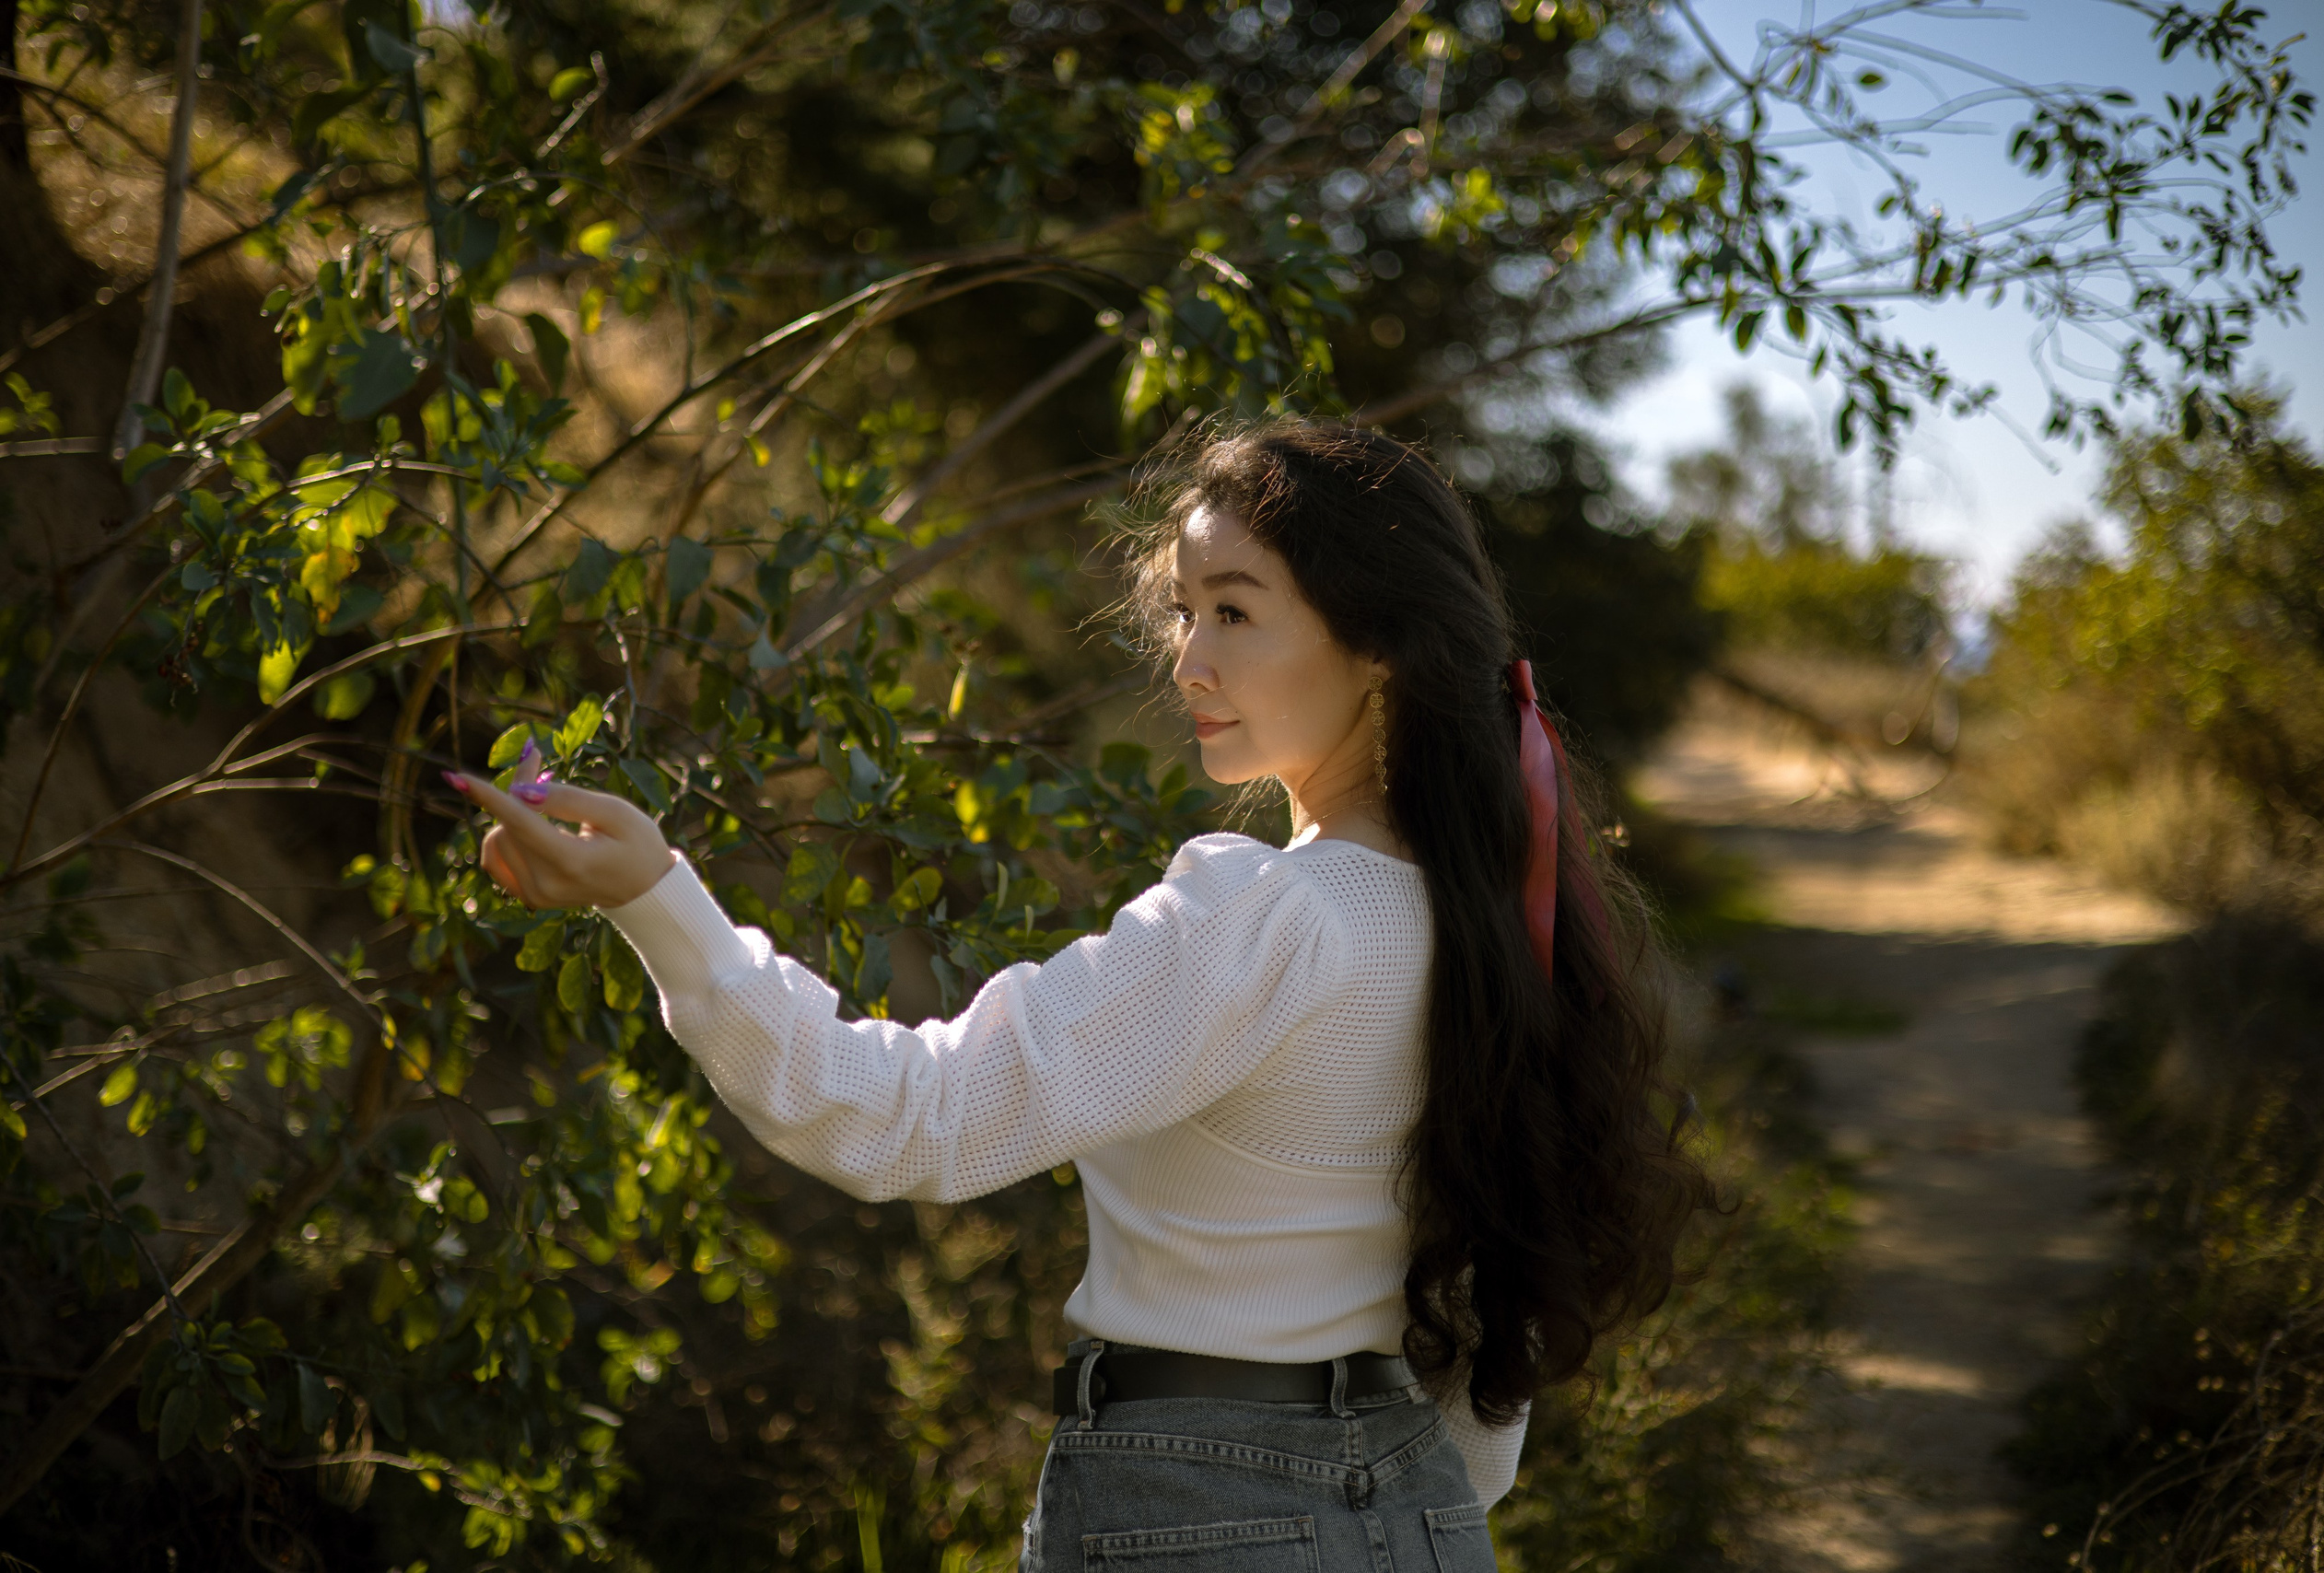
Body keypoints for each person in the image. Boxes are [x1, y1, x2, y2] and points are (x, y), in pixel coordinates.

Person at [450, 418, 1711, 1572]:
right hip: (1419, 1517)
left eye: (1235, 612)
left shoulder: (1268, 917)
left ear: (1375, 643)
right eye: (1181, 612)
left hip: (1200, 1510)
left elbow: (909, 1119)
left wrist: (657, 896)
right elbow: (1490, 1342)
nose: (1189, 659)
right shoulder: (1483, 920)